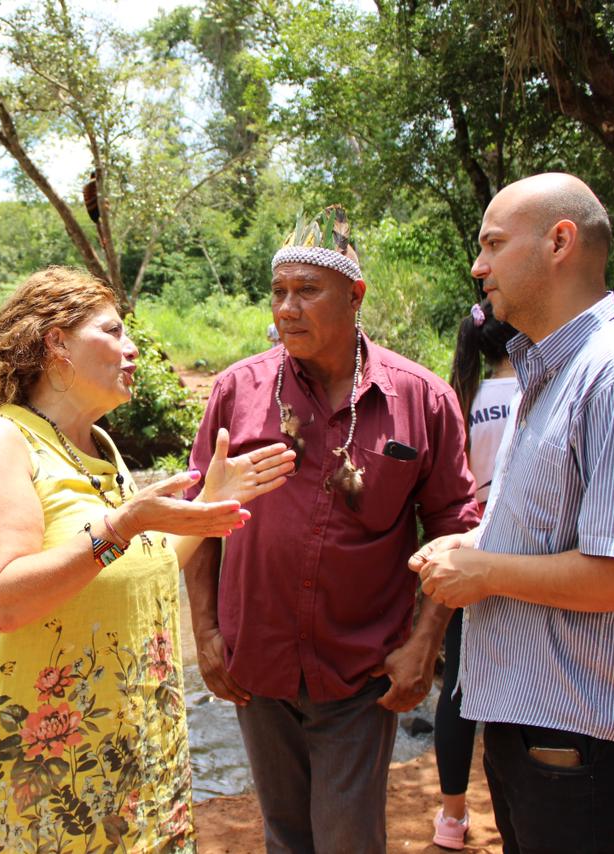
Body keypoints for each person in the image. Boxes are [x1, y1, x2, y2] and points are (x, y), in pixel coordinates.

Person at [0, 266, 297, 852]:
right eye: (113, 331)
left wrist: (209, 506)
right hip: (37, 785)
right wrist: (122, 524)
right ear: (56, 343)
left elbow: (136, 569)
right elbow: (3, 598)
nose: (132, 349)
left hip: (129, 776)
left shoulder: (98, 447)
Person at [412, 173, 614, 854]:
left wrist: (483, 572)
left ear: (559, 242)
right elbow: (553, 528)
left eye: (492, 244)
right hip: (531, 727)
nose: (477, 266)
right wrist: (473, 545)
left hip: (582, 741)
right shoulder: (551, 373)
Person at [183, 206, 479, 853]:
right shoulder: (238, 390)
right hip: (253, 664)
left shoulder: (423, 398)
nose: (287, 308)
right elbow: (197, 519)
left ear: (355, 296)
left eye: (307, 291)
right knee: (285, 834)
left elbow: (455, 525)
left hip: (360, 668)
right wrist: (205, 633)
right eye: (279, 291)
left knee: (347, 839)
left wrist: (424, 644)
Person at [431, 298, 518, 850]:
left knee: (460, 688)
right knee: (519, 685)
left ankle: (450, 817)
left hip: (464, 555)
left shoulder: (462, 398)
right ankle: (516, 809)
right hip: (522, 558)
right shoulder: (537, 395)